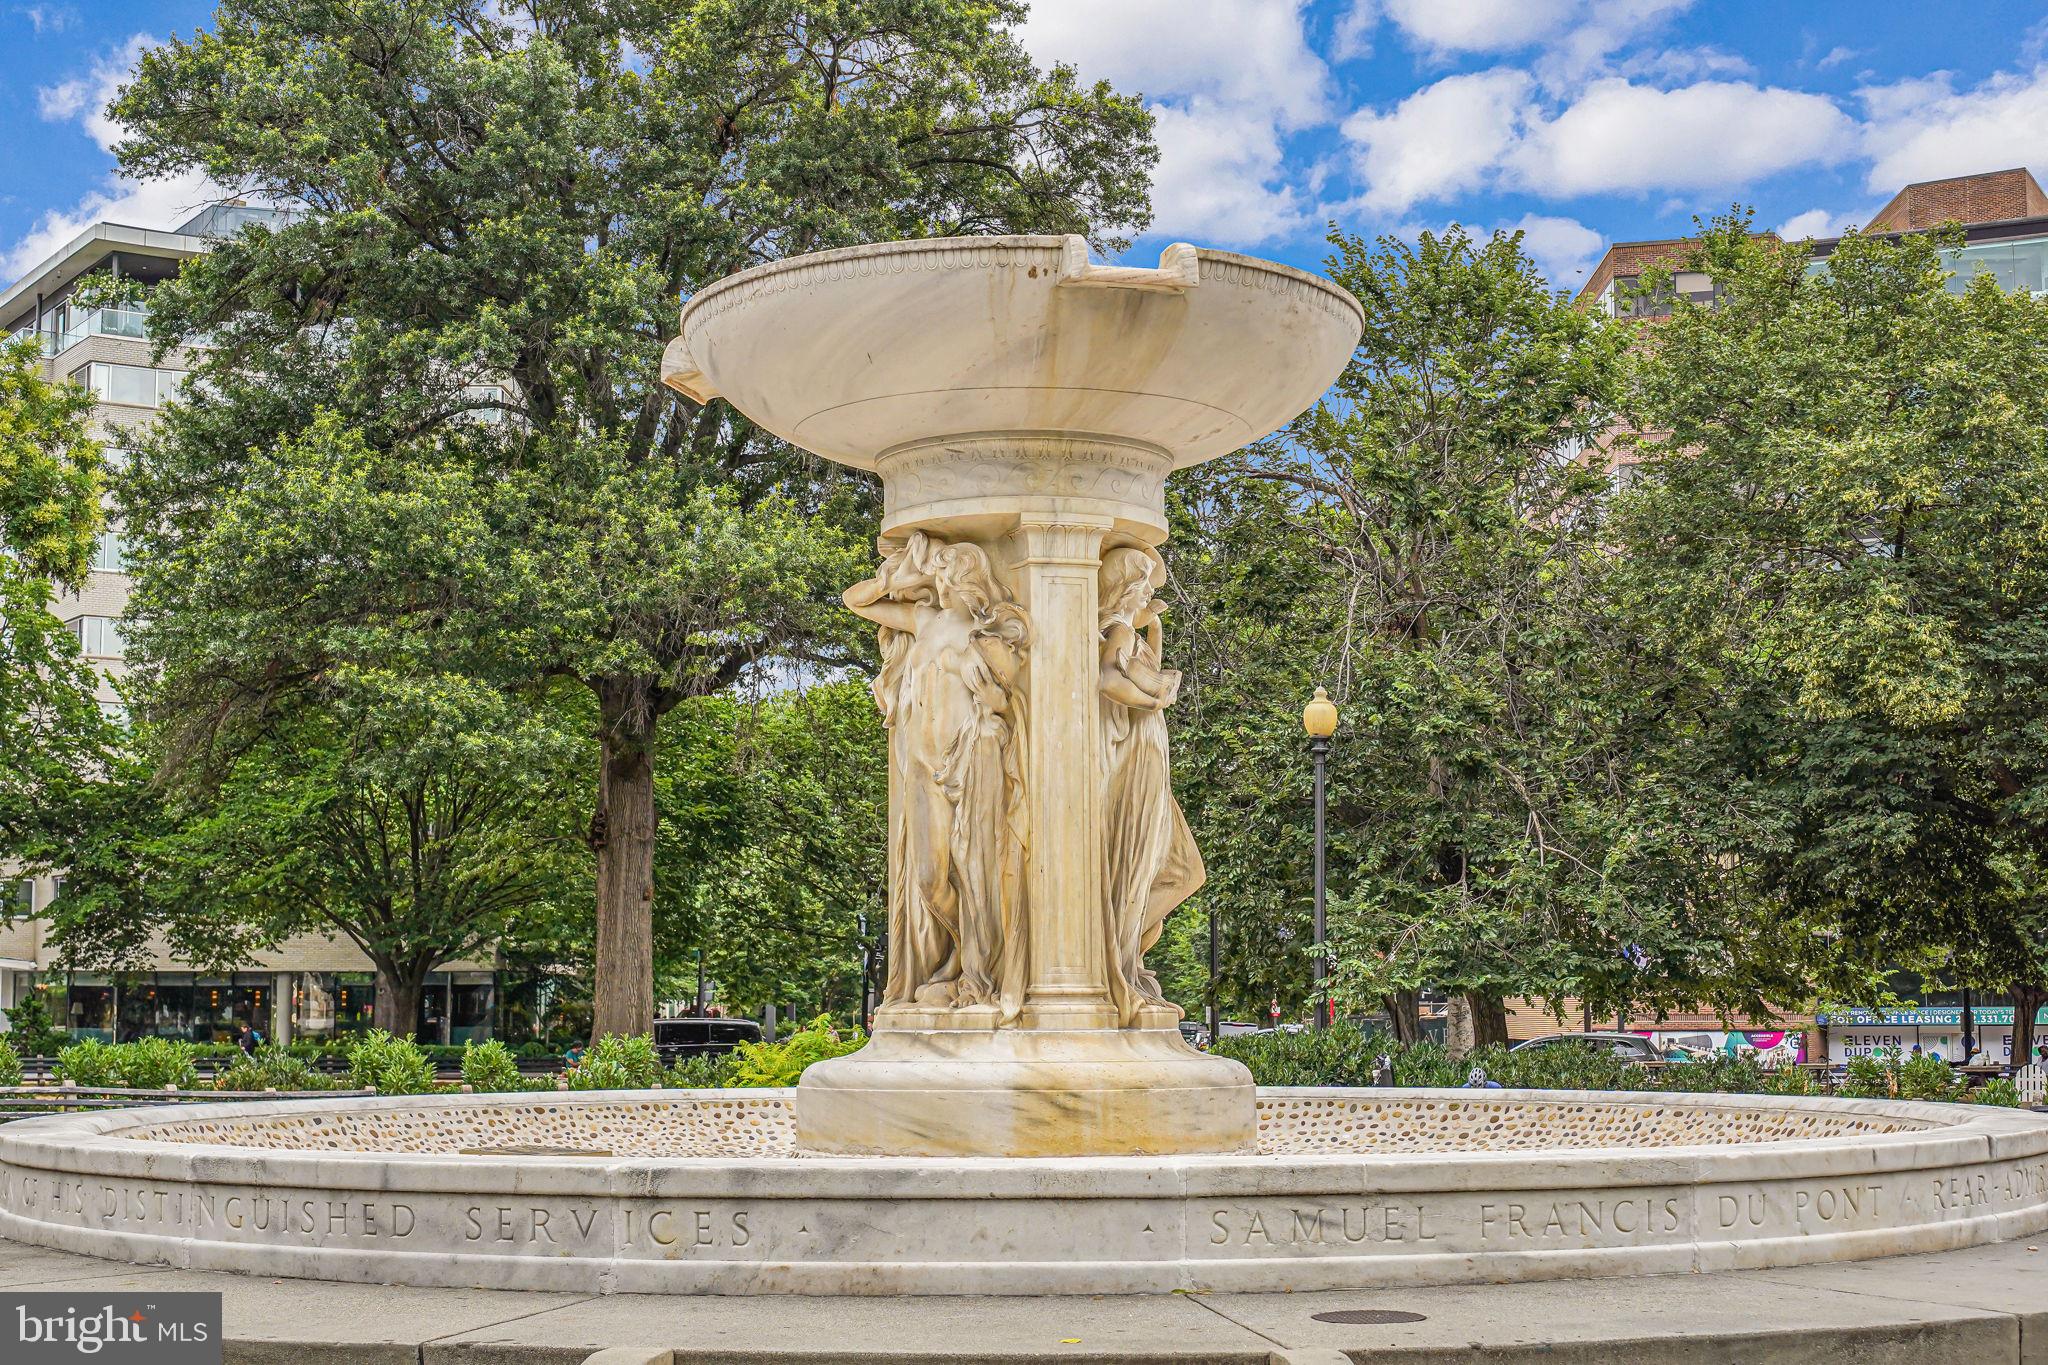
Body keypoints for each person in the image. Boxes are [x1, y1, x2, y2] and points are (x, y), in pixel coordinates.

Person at [1097, 547, 1205, 1026]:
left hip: (1149, 759)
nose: (1149, 595)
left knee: (1170, 869)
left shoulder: (1132, 632)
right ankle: (1110, 949)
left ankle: (1116, 950)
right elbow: (1103, 678)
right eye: (1143, 586)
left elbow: (1137, 670)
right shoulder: (1117, 627)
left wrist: (1156, 636)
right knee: (1168, 869)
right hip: (1136, 757)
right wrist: (1151, 698)